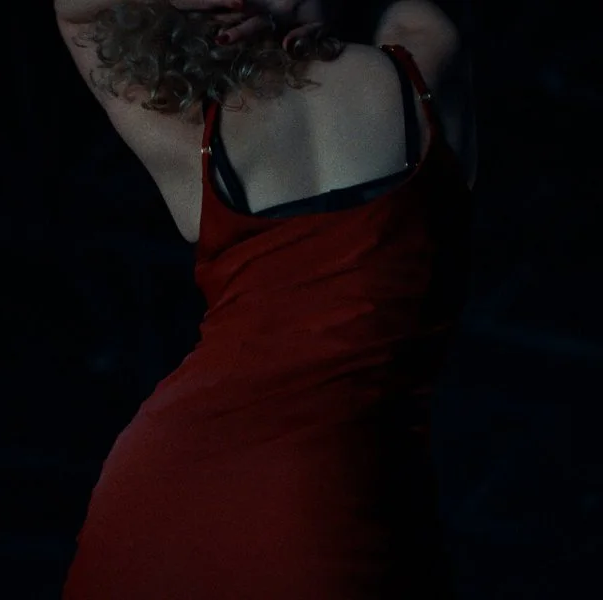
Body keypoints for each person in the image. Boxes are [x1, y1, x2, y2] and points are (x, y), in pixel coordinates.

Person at [54, 0, 475, 598]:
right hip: (334, 506)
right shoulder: (422, 58)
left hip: (166, 490)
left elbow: (76, 12)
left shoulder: (190, 134)